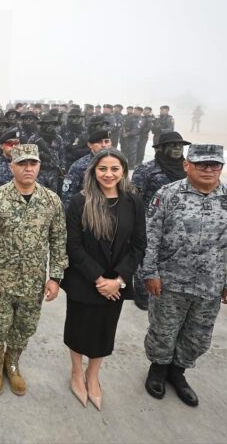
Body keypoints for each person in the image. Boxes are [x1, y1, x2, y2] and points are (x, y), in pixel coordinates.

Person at [141, 144, 227, 407]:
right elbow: (150, 237)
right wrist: (149, 272)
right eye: (201, 164)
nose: (208, 169)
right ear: (187, 165)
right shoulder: (168, 195)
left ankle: (177, 373)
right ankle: (158, 370)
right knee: (162, 331)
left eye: (215, 164)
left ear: (222, 167)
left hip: (210, 286)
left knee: (198, 336)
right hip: (169, 283)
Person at [0, 144, 67, 396]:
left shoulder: (51, 201)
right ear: (11, 166)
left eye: (33, 163)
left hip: (34, 282)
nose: (28, 168)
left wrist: (55, 277)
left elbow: (58, 240)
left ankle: (12, 363)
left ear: (39, 166)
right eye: (22, 164)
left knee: (25, 326)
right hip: (1, 281)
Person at [60, 149, 146, 410]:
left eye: (114, 169)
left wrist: (118, 279)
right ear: (93, 171)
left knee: (104, 331)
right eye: (102, 169)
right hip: (84, 280)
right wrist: (98, 279)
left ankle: (93, 375)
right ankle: (76, 372)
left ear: (123, 172)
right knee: (78, 328)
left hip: (116, 284)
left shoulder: (133, 201)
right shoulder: (79, 201)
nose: (108, 174)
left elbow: (139, 245)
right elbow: (73, 245)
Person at [131, 131, 191, 309]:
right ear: (161, 148)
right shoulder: (147, 170)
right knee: (146, 260)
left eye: (180, 145)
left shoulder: (189, 169)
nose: (177, 149)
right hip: (150, 225)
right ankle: (142, 296)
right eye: (172, 145)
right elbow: (134, 198)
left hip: (181, 226)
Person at [60, 130, 113, 209]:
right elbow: (68, 196)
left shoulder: (117, 164)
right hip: (87, 211)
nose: (104, 145)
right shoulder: (79, 166)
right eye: (99, 142)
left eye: (106, 141)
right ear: (89, 145)